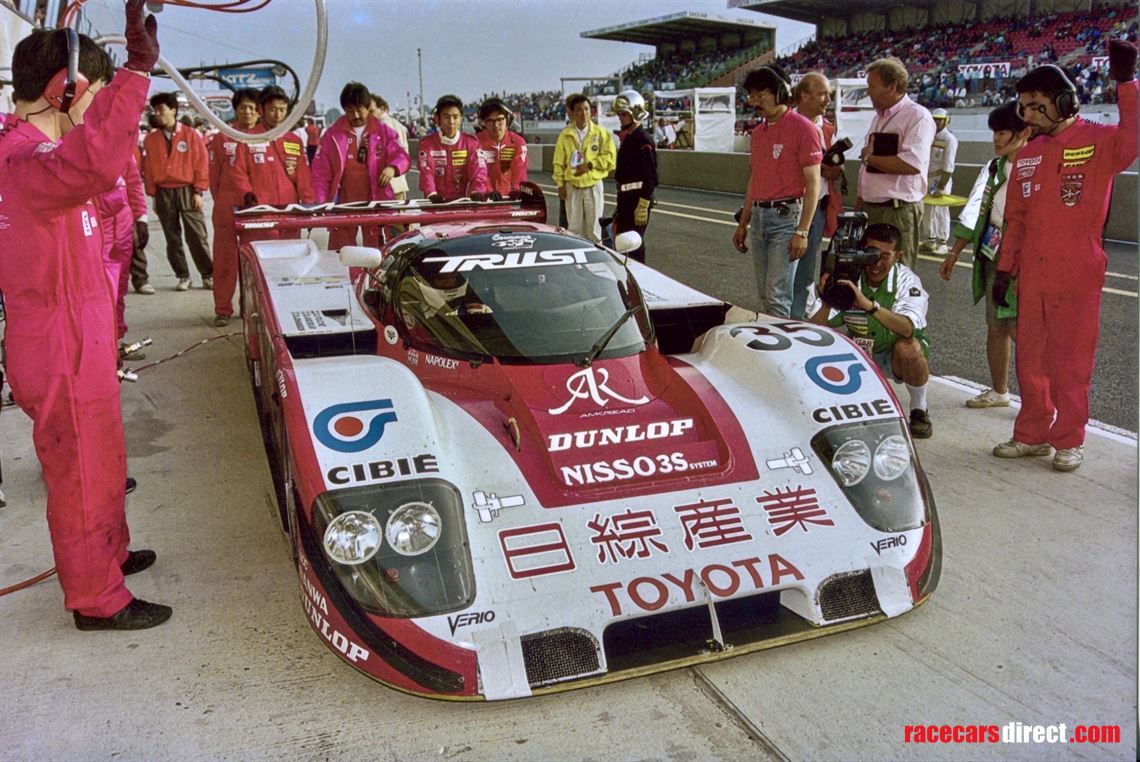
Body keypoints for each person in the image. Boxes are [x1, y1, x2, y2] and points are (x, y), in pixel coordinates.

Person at [0, 2, 171, 629]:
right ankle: (95, 599)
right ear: (64, 89)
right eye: (95, 94)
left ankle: (109, 555)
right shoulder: (27, 160)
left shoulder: (41, 155)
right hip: (59, 340)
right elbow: (96, 161)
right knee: (80, 471)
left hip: (78, 332)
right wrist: (136, 73)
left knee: (102, 457)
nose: (99, 109)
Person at [991, 42, 1137, 471]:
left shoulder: (1100, 142)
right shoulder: (1029, 154)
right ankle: (1032, 433)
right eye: (1024, 108)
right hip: (1032, 273)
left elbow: (1133, 138)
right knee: (1031, 358)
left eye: (1037, 106)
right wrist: (1005, 270)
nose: (1029, 116)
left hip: (1078, 270)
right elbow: (1016, 219)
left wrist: (1126, 82)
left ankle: (1070, 438)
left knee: (1070, 361)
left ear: (1065, 102)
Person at [939, 102, 1032, 409]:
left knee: (1021, 329)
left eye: (1003, 132)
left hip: (1025, 258)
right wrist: (954, 252)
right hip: (993, 252)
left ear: (1024, 132)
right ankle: (1000, 390)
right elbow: (975, 210)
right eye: (995, 132)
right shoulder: (993, 167)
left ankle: (1038, 401)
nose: (997, 139)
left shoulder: (1038, 166)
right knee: (996, 326)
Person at [807, 223, 933, 438]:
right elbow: (813, 330)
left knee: (909, 348)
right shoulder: (848, 275)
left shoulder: (907, 280)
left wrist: (868, 305)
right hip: (860, 353)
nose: (876, 263)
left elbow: (907, 328)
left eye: (885, 256)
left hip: (893, 353)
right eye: (871, 254)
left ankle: (919, 408)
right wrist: (828, 300)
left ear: (898, 256)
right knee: (822, 344)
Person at [731, 65, 821, 318]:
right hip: (760, 217)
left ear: (780, 92)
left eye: (761, 95)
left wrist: (802, 231)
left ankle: (781, 341)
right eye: (751, 96)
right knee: (765, 293)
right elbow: (755, 180)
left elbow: (814, 183)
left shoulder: (803, 128)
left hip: (786, 217)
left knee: (777, 295)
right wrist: (743, 223)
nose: (755, 102)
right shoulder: (758, 133)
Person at [854, 57, 936, 270]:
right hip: (872, 208)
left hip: (897, 211)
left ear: (892, 87)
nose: (868, 92)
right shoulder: (878, 118)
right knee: (870, 271)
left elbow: (911, 164)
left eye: (872, 86)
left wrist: (870, 158)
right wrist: (859, 205)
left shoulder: (918, 116)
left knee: (897, 274)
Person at [311, 82, 409, 251]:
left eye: (359, 110)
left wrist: (392, 168)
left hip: (376, 199)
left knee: (378, 250)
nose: (355, 115)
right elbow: (320, 173)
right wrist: (321, 202)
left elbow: (402, 156)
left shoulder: (383, 131)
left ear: (367, 107)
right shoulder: (332, 135)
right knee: (341, 250)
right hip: (344, 201)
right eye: (350, 111)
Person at [142, 90, 213, 291]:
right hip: (163, 192)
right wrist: (153, 195)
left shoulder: (191, 135)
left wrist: (198, 191)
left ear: (173, 110)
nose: (157, 114)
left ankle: (208, 274)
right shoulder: (151, 139)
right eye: (155, 110)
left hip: (187, 190)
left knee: (197, 235)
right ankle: (183, 276)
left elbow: (201, 163)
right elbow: (148, 168)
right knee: (172, 238)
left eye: (161, 110)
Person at [790, 72, 844, 319]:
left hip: (818, 208)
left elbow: (836, 169)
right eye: (822, 94)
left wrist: (835, 170)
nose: (828, 100)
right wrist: (816, 166)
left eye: (828, 94)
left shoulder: (828, 129)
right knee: (783, 270)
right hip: (789, 207)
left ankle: (796, 318)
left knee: (806, 269)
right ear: (804, 96)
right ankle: (780, 316)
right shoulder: (786, 124)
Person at [206, 87, 259, 326]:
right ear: (236, 110)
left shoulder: (265, 137)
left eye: (251, 108)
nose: (247, 112)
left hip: (254, 207)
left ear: (258, 111)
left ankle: (249, 306)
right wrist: (222, 201)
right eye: (242, 107)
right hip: (226, 207)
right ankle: (222, 309)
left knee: (252, 260)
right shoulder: (222, 138)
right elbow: (214, 177)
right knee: (224, 261)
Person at [96, 152, 148, 344]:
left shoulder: (123, 151)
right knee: (100, 291)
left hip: (123, 229)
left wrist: (141, 218)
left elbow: (134, 183)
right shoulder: (83, 148)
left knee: (120, 288)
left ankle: (116, 339)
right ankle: (103, 342)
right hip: (97, 230)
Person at [553, 93, 616, 243]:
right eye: (579, 110)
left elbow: (610, 158)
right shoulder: (565, 135)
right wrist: (560, 185)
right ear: (573, 113)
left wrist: (590, 165)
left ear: (591, 111)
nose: (584, 113)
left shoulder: (601, 133)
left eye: (587, 109)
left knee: (595, 230)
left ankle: (597, 255)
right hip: (572, 186)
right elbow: (558, 163)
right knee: (573, 230)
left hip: (593, 185)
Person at [606, 89, 656, 263]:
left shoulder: (644, 140)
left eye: (624, 114)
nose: (620, 118)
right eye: (619, 114)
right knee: (622, 242)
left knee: (633, 243)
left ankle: (639, 274)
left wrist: (643, 203)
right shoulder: (628, 138)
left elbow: (650, 176)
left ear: (635, 113)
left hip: (637, 200)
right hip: (625, 198)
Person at [417, 94, 489, 202]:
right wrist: (431, 193)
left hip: (463, 204)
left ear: (461, 119)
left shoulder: (471, 143)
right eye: (446, 117)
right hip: (434, 203)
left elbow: (479, 170)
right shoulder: (426, 144)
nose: (451, 122)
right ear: (438, 119)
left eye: (455, 117)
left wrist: (477, 191)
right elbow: (426, 171)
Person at [921, 108, 958, 254]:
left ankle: (943, 242)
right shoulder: (929, 136)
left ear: (946, 120)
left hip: (940, 178)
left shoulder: (950, 139)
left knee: (941, 211)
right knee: (927, 210)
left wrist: (941, 186)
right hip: (927, 178)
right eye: (934, 119)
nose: (937, 122)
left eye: (940, 119)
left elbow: (948, 167)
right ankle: (930, 240)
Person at [476, 97, 528, 197]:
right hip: (481, 199)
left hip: (507, 198)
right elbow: (477, 172)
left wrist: (516, 190)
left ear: (507, 120)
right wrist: (488, 191)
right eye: (490, 121)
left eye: (500, 119)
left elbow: (519, 170)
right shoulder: (475, 142)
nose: (496, 125)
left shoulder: (518, 142)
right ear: (484, 122)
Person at [369, 93, 409, 200]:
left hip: (388, 184)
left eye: (372, 111)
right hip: (398, 182)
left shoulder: (385, 128)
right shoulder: (396, 124)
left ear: (382, 109)